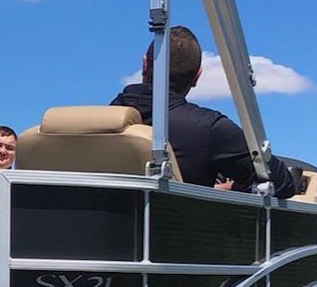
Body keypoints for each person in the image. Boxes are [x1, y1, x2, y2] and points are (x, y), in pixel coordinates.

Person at [110, 27, 300, 196]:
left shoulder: (98, 121)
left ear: (144, 65)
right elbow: (283, 184)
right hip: (170, 232)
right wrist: (230, 189)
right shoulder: (210, 128)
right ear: (197, 76)